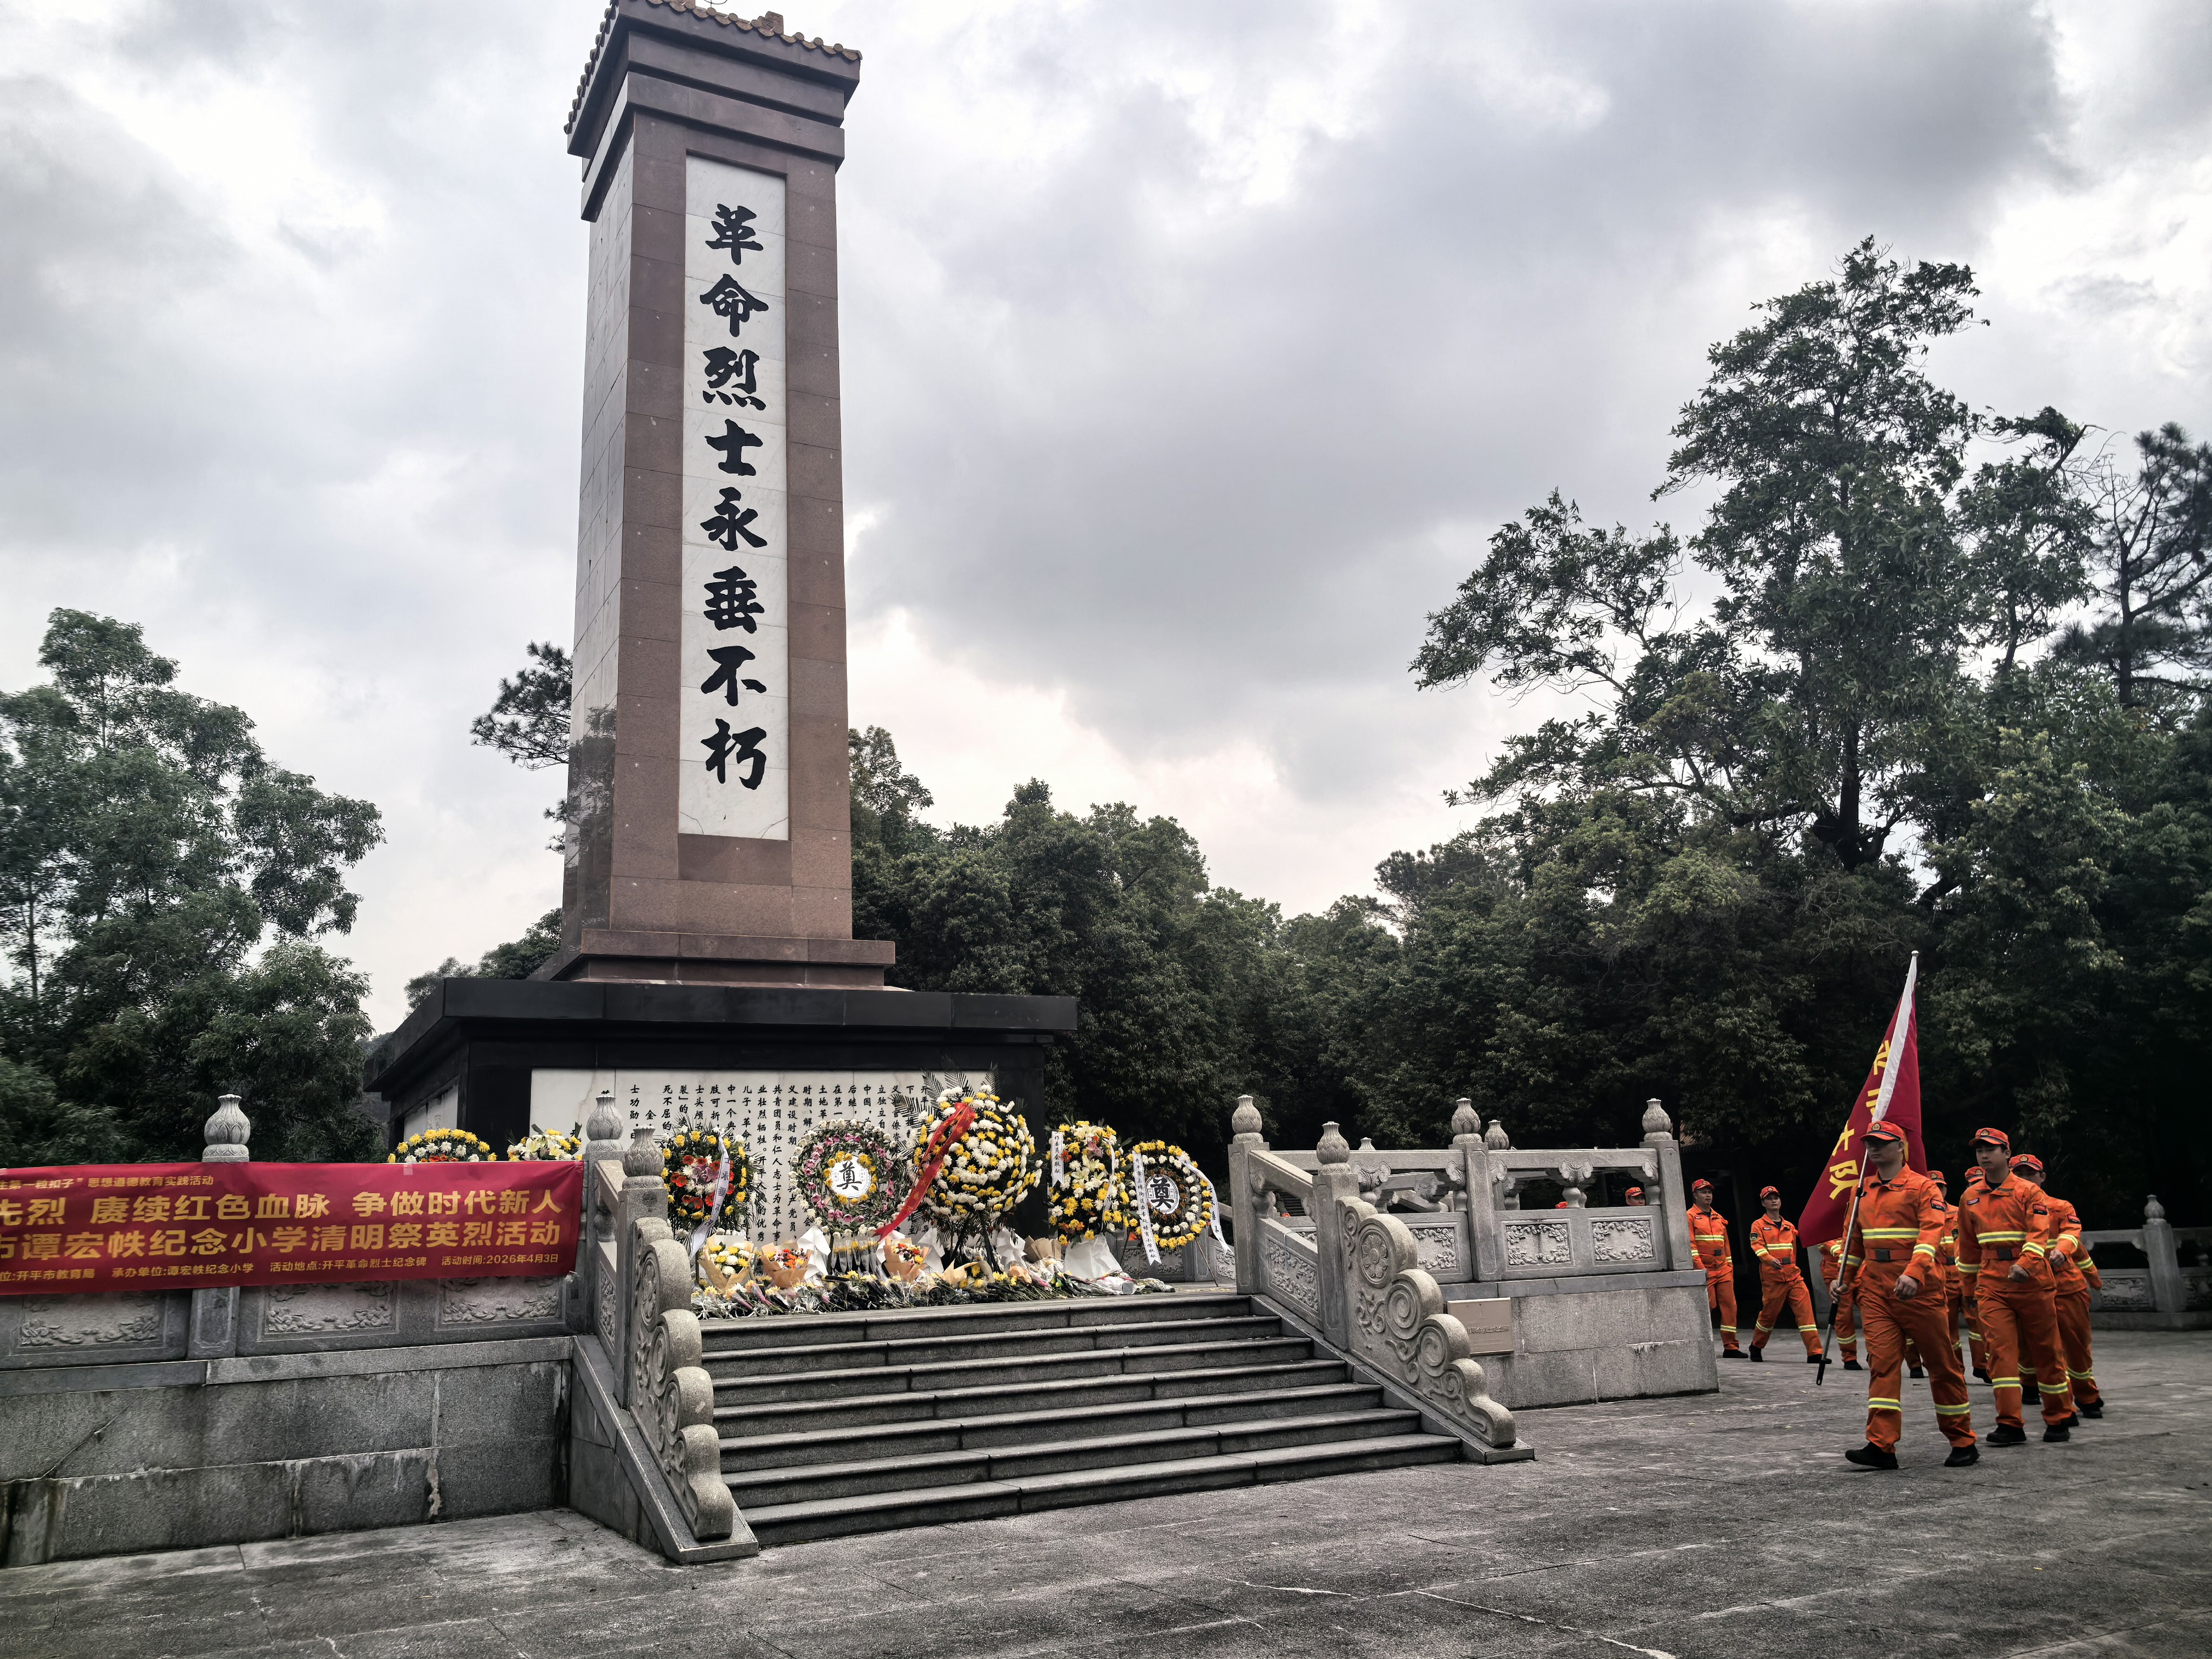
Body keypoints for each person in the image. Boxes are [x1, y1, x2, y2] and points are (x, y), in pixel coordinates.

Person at [1840, 1123, 1978, 1469]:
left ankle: (1962, 1441)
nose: (1874, 1149)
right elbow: (1855, 1240)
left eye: (1882, 1143)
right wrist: (1845, 1277)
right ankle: (1881, 1446)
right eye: (1870, 1143)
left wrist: (1914, 1273)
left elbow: (1932, 1233)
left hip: (1919, 1290)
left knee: (1942, 1366)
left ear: (1901, 1147)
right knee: (1882, 1366)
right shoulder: (1863, 1190)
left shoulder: (1923, 1187)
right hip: (1875, 1290)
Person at [1957, 1128, 2073, 1444]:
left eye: (1991, 1149)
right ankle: (2010, 1424)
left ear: (2006, 1153)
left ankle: (2058, 1417)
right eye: (1979, 1150)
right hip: (1992, 1284)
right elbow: (1967, 1249)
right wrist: (1968, 1291)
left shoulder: (2028, 1192)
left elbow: (2039, 1234)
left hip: (2032, 1282)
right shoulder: (1970, 1197)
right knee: (2001, 1354)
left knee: (2047, 1351)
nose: (1984, 1155)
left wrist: (2027, 1264)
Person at [2019, 1155, 2105, 1421]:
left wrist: (2090, 1275)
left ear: (2042, 1177)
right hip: (2030, 1288)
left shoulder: (2060, 1207)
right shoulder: (2006, 1212)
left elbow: (2073, 1238)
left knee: (2077, 1346)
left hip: (2066, 1287)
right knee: (2044, 1349)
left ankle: (2087, 1395)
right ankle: (2060, 1403)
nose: (2025, 1179)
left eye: (2030, 1174)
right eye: (2019, 1174)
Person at [1747, 1186, 1821, 1361]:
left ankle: (1815, 1353)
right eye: (1769, 1198)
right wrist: (1768, 1258)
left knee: (1806, 1315)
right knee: (1769, 1315)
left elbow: (1794, 1252)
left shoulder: (1789, 1226)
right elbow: (1756, 1245)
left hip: (1794, 1277)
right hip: (1773, 1279)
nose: (1774, 1201)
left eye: (1776, 1198)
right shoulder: (1758, 1225)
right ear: (1763, 1203)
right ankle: (1756, 1345)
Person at [1903, 1169, 1964, 1379]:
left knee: (1954, 1331)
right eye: (1934, 1186)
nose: (1938, 1190)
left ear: (1946, 1189)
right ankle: (1915, 1364)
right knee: (1919, 1328)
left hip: (1958, 1275)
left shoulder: (1958, 1213)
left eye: (1941, 1186)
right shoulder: (1916, 1213)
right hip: (1930, 1275)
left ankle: (1960, 1369)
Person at [1689, 1179, 1742, 1358]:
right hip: (1705, 1270)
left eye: (1710, 1192)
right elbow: (1691, 1245)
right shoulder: (1689, 1217)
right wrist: (1700, 1268)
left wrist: (1729, 1265)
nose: (1708, 1195)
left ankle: (1731, 1347)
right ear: (1695, 1195)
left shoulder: (1718, 1218)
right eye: (1704, 1192)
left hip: (1723, 1268)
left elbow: (1726, 1244)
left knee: (1730, 1306)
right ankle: (1703, 1346)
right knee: (1707, 1307)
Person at [1819, 1234, 1860, 1371]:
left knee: (1873, 1313)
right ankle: (1849, 1357)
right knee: (1843, 1317)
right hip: (1835, 1272)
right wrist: (1841, 1252)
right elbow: (1823, 1241)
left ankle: (1874, 1352)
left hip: (1859, 1270)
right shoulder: (1824, 1222)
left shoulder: (1856, 1215)